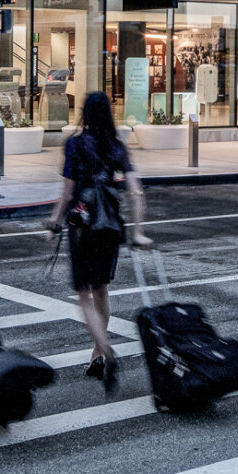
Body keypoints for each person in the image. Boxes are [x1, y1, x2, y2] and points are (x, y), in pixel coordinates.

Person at [45, 91, 150, 392]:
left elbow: (67, 193)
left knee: (83, 293)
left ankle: (106, 350)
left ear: (84, 115)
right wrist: (139, 231)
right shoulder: (116, 147)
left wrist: (54, 222)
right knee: (101, 290)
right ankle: (97, 354)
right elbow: (136, 191)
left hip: (83, 226)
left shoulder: (75, 145)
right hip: (110, 228)